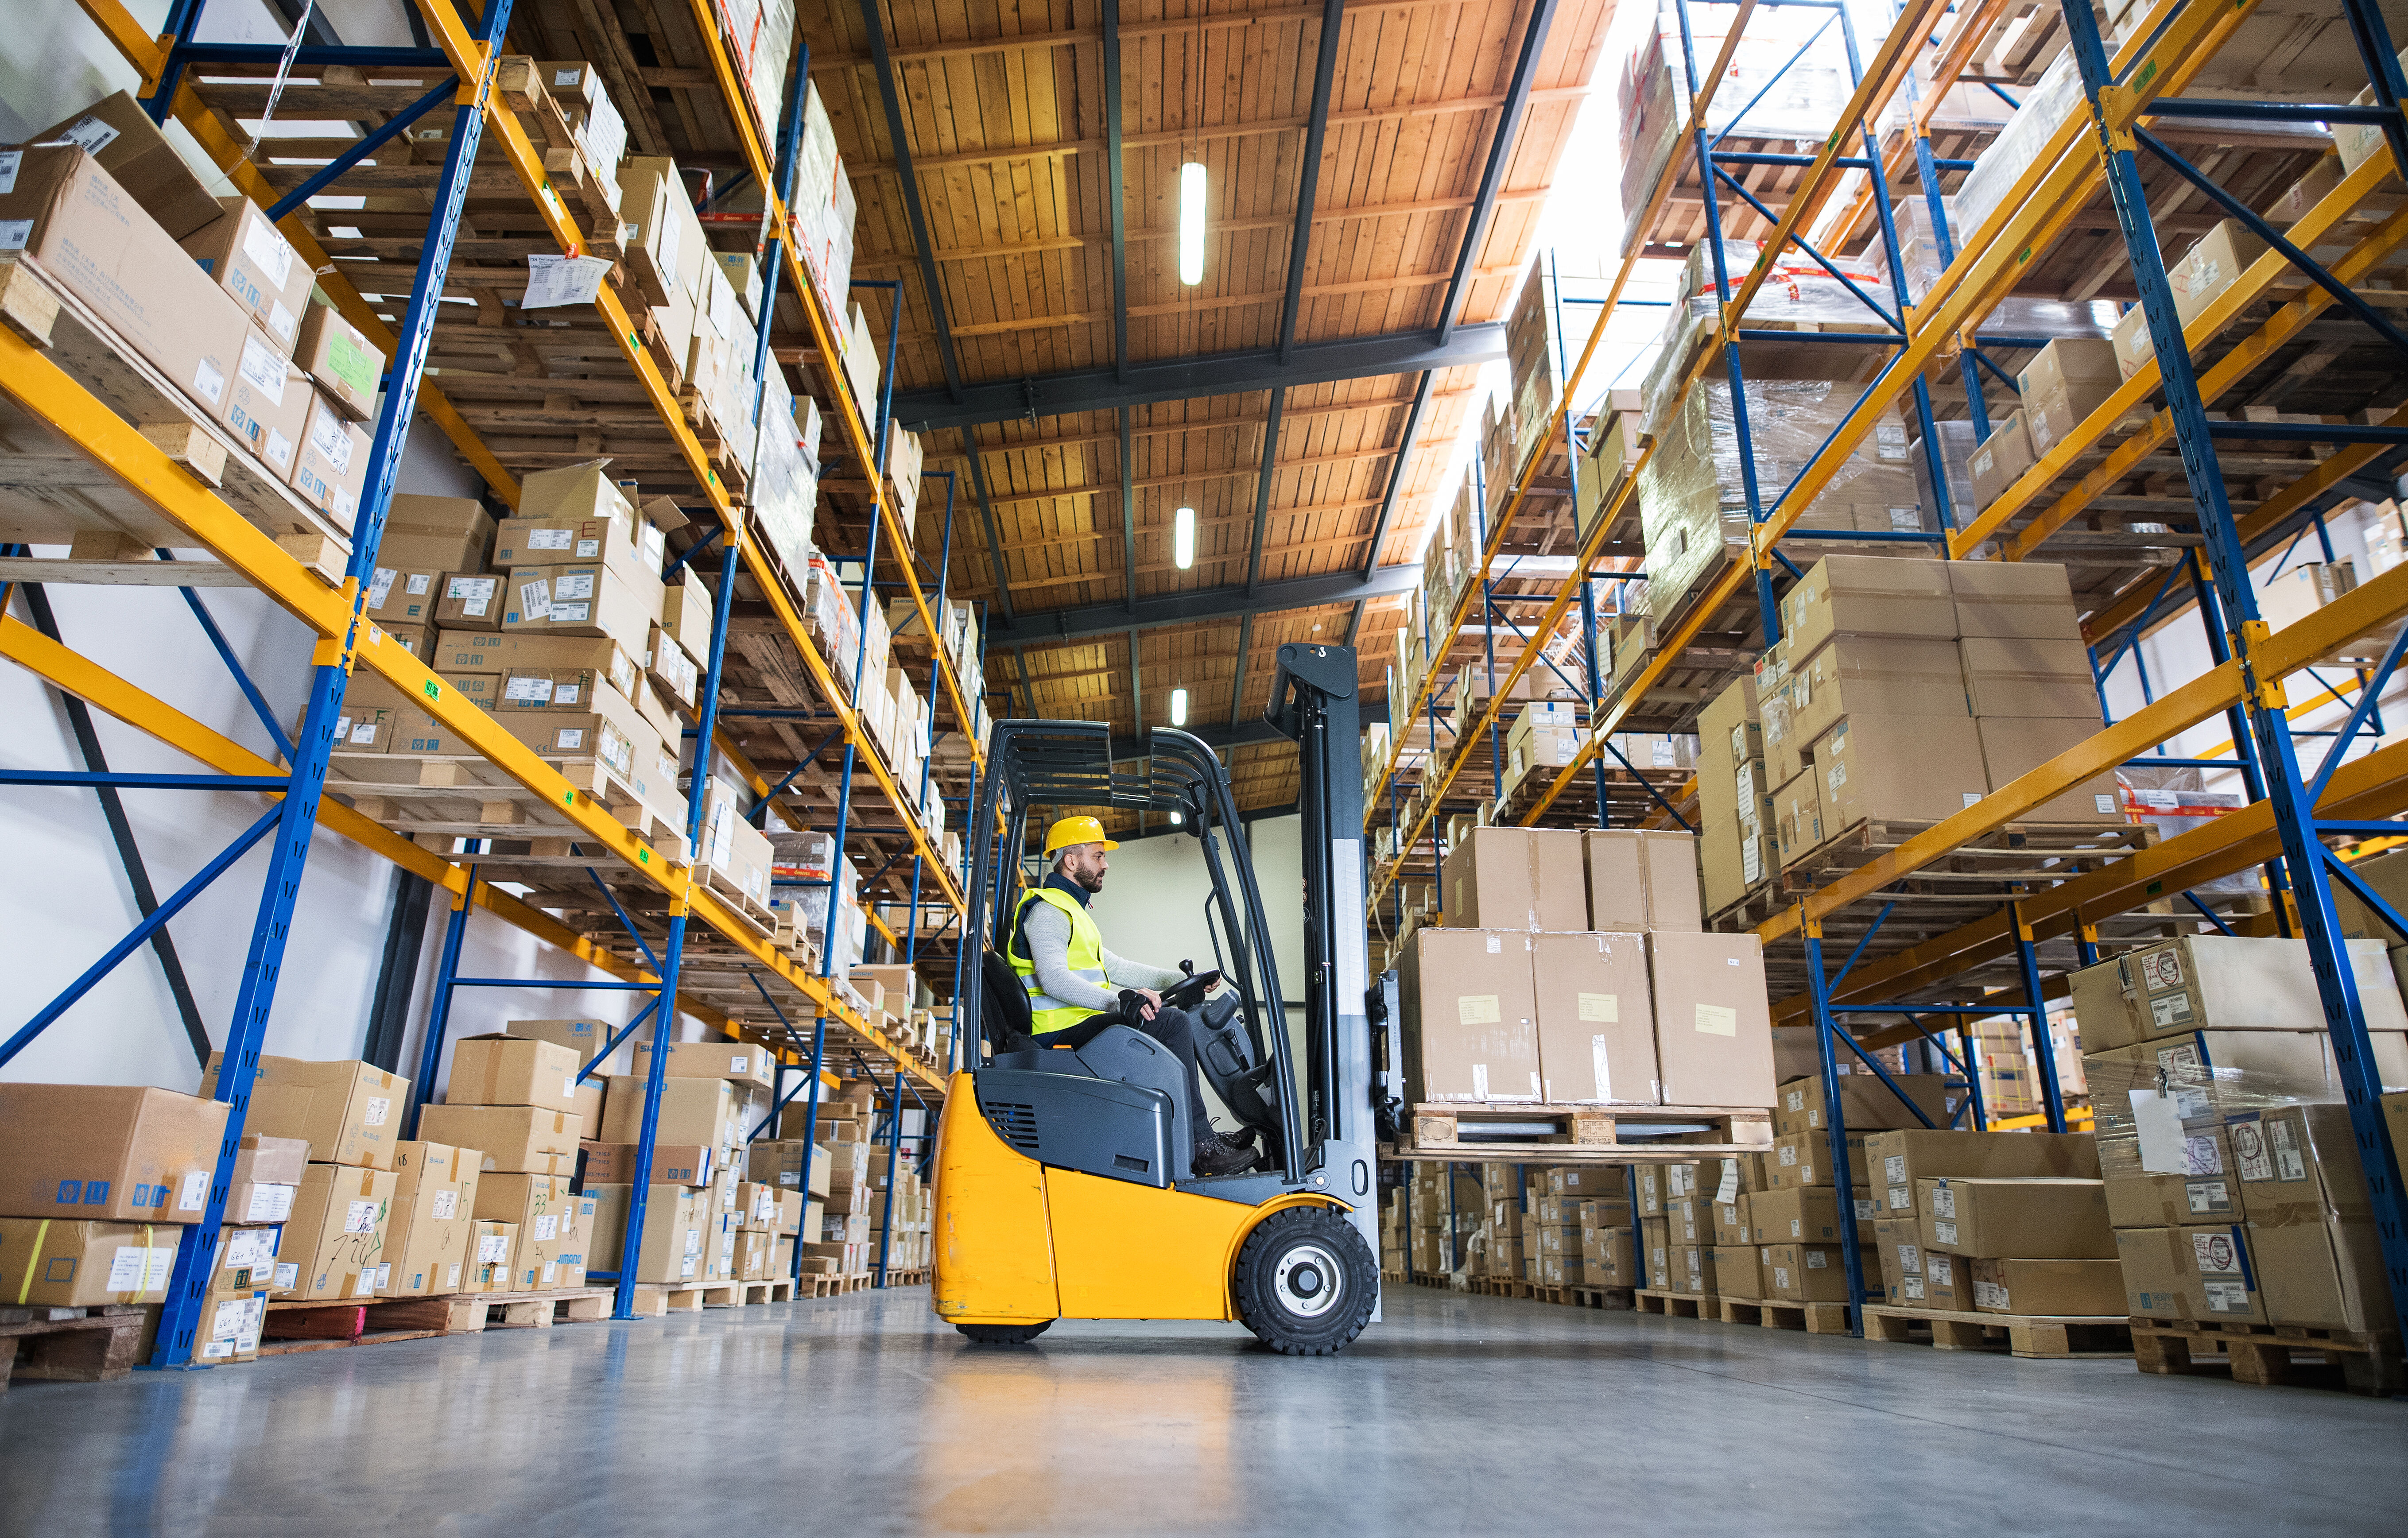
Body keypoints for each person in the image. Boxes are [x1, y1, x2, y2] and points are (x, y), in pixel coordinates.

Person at [1010, 815, 1260, 1177]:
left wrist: (1182, 979)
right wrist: (1118, 1002)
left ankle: (1199, 1136)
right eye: (1098, 856)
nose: (1105, 864)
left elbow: (1117, 966)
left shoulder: (1074, 912)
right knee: (1171, 1023)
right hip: (1057, 1035)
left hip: (1081, 1025)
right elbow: (1053, 980)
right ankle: (1201, 1144)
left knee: (1174, 1017)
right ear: (1071, 860)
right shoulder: (1049, 910)